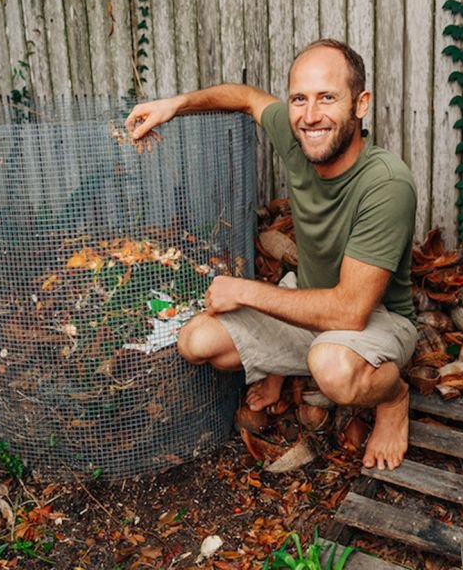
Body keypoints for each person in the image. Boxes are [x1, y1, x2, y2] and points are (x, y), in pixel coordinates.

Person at [125, 39, 417, 470]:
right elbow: (245, 99)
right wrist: (176, 104)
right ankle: (289, 366)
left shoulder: (387, 184)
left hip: (376, 320)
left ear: (361, 103)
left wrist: (247, 292)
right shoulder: (299, 136)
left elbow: (352, 311)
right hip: (309, 303)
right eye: (299, 99)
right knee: (196, 342)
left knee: (333, 367)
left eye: (327, 98)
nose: (310, 115)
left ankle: (394, 399)